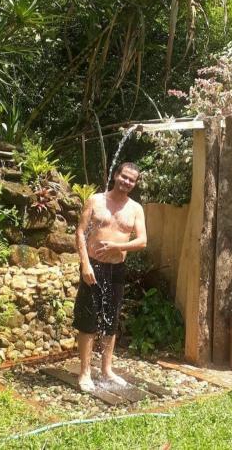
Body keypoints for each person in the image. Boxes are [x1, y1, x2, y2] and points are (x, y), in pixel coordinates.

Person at [73, 162, 146, 391]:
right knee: (88, 319)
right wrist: (85, 264)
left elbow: (142, 241)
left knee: (110, 320)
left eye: (131, 180)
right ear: (116, 175)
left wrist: (117, 245)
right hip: (93, 267)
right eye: (124, 177)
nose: (126, 182)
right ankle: (85, 373)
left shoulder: (135, 209)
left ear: (134, 184)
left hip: (117, 269)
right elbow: (80, 232)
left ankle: (106, 370)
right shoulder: (96, 200)